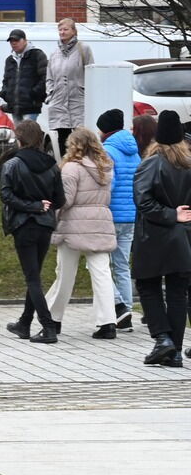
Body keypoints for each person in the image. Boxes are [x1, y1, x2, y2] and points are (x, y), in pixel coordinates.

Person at [132, 110, 191, 370]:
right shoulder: (188, 163)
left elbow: (143, 200)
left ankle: (163, 339)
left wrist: (170, 214)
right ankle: (174, 351)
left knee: (148, 286)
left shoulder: (151, 163)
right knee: (178, 292)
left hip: (154, 236)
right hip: (184, 237)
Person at [47, 127, 118, 341]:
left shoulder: (70, 168)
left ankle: (53, 318)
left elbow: (65, 200)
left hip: (74, 225)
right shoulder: (105, 167)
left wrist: (53, 219)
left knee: (65, 274)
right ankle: (108, 322)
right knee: (102, 273)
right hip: (101, 221)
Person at [0, 120, 66, 343]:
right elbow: (60, 199)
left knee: (32, 278)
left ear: (19, 139)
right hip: (45, 225)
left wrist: (31, 206)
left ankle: (48, 327)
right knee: (34, 276)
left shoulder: (12, 164)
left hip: (23, 225)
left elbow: (6, 196)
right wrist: (42, 205)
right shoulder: (52, 165)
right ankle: (24, 323)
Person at [101, 109, 139, 334]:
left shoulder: (107, 151)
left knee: (99, 264)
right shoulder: (134, 151)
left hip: (111, 215)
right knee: (123, 265)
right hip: (131, 216)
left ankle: (119, 305)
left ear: (105, 130)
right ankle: (128, 314)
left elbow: (109, 184)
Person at [42, 19, 94, 153]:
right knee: (62, 141)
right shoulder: (54, 53)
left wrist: (85, 92)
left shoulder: (84, 49)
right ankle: (65, 169)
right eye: (60, 29)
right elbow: (49, 77)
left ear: (74, 31)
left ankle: (81, 167)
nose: (62, 32)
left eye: (65, 29)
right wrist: (50, 94)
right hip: (58, 102)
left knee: (81, 139)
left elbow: (91, 72)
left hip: (78, 101)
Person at [1, 29, 48, 122]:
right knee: (19, 135)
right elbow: (6, 80)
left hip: (31, 106)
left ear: (25, 41)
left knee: (28, 133)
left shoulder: (37, 55)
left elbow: (45, 77)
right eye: (11, 41)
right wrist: (5, 93)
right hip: (14, 107)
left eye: (17, 40)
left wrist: (34, 94)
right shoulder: (9, 60)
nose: (14, 43)